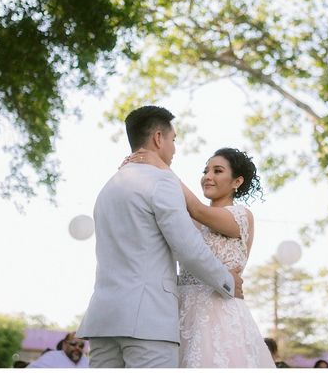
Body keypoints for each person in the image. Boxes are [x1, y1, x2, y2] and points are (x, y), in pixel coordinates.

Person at [77, 106, 243, 368]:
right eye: (173, 140)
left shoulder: (108, 187)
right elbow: (188, 247)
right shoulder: (162, 182)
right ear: (158, 138)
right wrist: (227, 282)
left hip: (101, 322)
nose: (174, 149)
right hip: (147, 322)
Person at [127, 145, 275, 367]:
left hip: (219, 318)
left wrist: (160, 166)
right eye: (205, 171)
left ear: (237, 182)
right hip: (180, 315)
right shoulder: (190, 221)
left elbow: (196, 209)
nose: (207, 177)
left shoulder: (241, 216)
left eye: (217, 171)